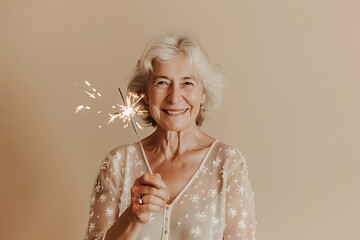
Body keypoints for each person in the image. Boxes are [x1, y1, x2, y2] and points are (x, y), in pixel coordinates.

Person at [84, 33, 256, 240]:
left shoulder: (228, 164)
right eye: (162, 83)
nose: (174, 97)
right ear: (145, 94)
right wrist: (132, 217)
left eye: (187, 83)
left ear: (203, 93)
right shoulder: (118, 164)